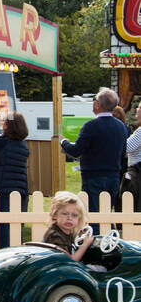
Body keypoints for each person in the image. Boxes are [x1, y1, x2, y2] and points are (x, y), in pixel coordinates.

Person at [60, 88, 127, 220]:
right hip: (113, 176)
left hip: (93, 176)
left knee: (93, 215)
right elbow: (123, 152)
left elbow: (76, 150)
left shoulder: (91, 126)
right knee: (107, 215)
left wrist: (64, 142)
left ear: (97, 104)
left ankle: (96, 239)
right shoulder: (121, 127)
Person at [0, 111, 30, 249]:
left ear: (8, 125)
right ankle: (17, 248)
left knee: (2, 223)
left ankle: (4, 249)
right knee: (16, 222)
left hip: (1, 187)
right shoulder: (23, 145)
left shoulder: (1, 142)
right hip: (20, 187)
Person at [40, 191, 94, 262]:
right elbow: (70, 261)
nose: (69, 218)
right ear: (55, 215)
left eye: (74, 215)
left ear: (79, 218)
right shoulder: (55, 236)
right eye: (65, 214)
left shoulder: (66, 232)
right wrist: (85, 245)